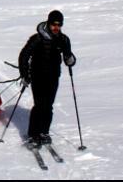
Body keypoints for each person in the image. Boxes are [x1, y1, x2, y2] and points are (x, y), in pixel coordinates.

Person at [18, 10, 76, 148]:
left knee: (48, 106)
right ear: (49, 23)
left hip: (53, 76)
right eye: (53, 24)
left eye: (59, 25)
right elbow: (23, 56)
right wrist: (25, 75)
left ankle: (44, 132)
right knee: (40, 105)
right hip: (38, 76)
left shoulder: (63, 39)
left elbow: (70, 58)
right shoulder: (37, 38)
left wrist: (70, 59)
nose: (56, 27)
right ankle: (33, 134)